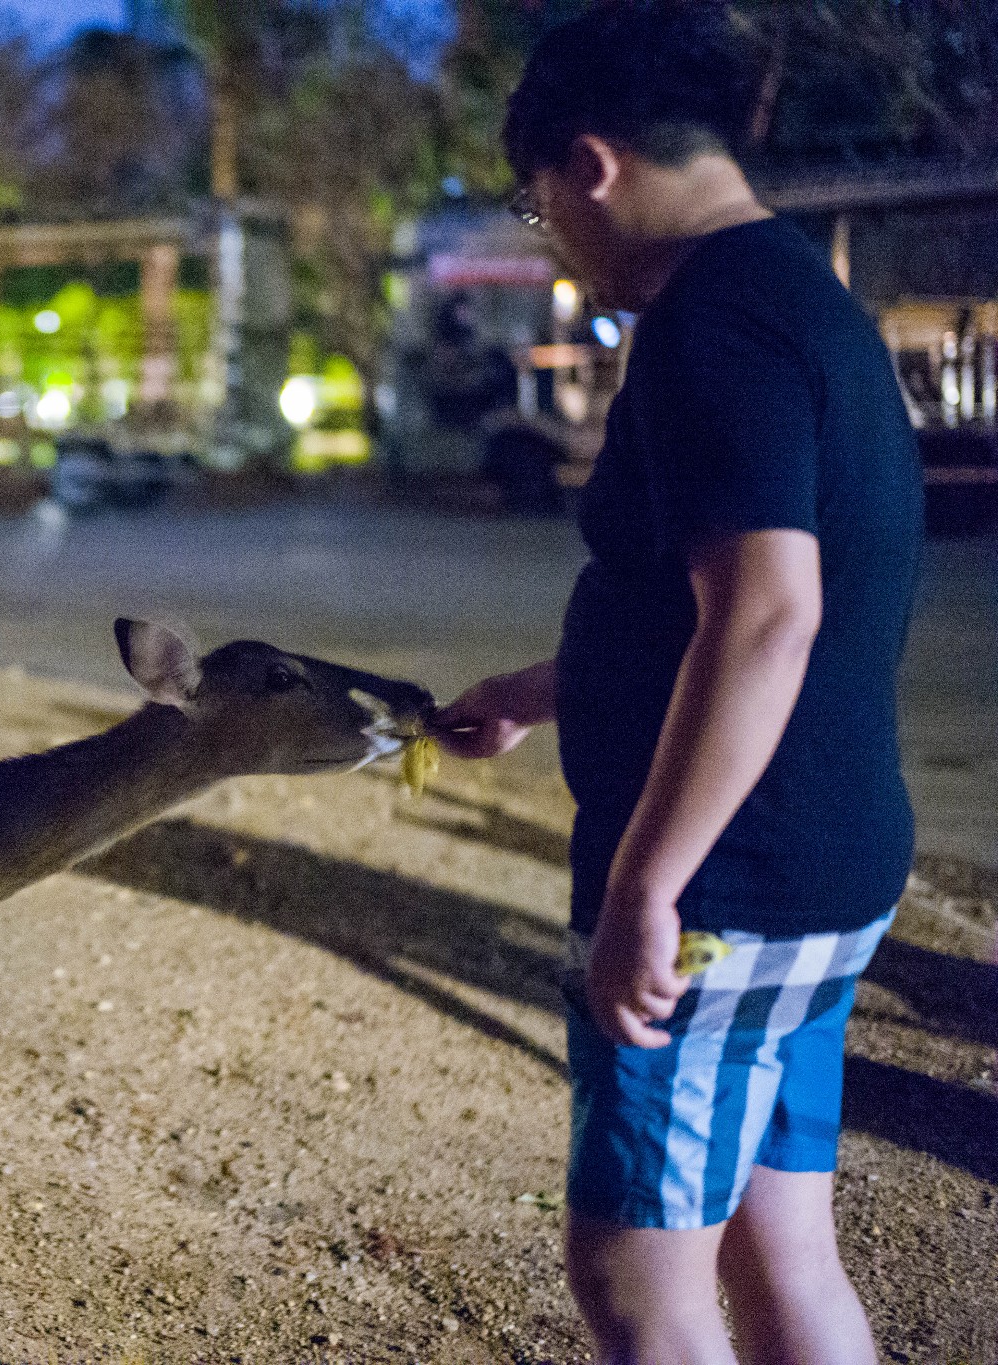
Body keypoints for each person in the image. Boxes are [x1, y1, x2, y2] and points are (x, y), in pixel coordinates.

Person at [431, 6, 923, 1363]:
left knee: (640, 1283)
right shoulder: (805, 299)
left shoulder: (711, 325)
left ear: (590, 164)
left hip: (724, 896)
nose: (560, 240)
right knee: (785, 1263)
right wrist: (548, 688)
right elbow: (715, 616)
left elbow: (768, 617)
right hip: (823, 875)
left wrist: (650, 886)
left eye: (540, 209)